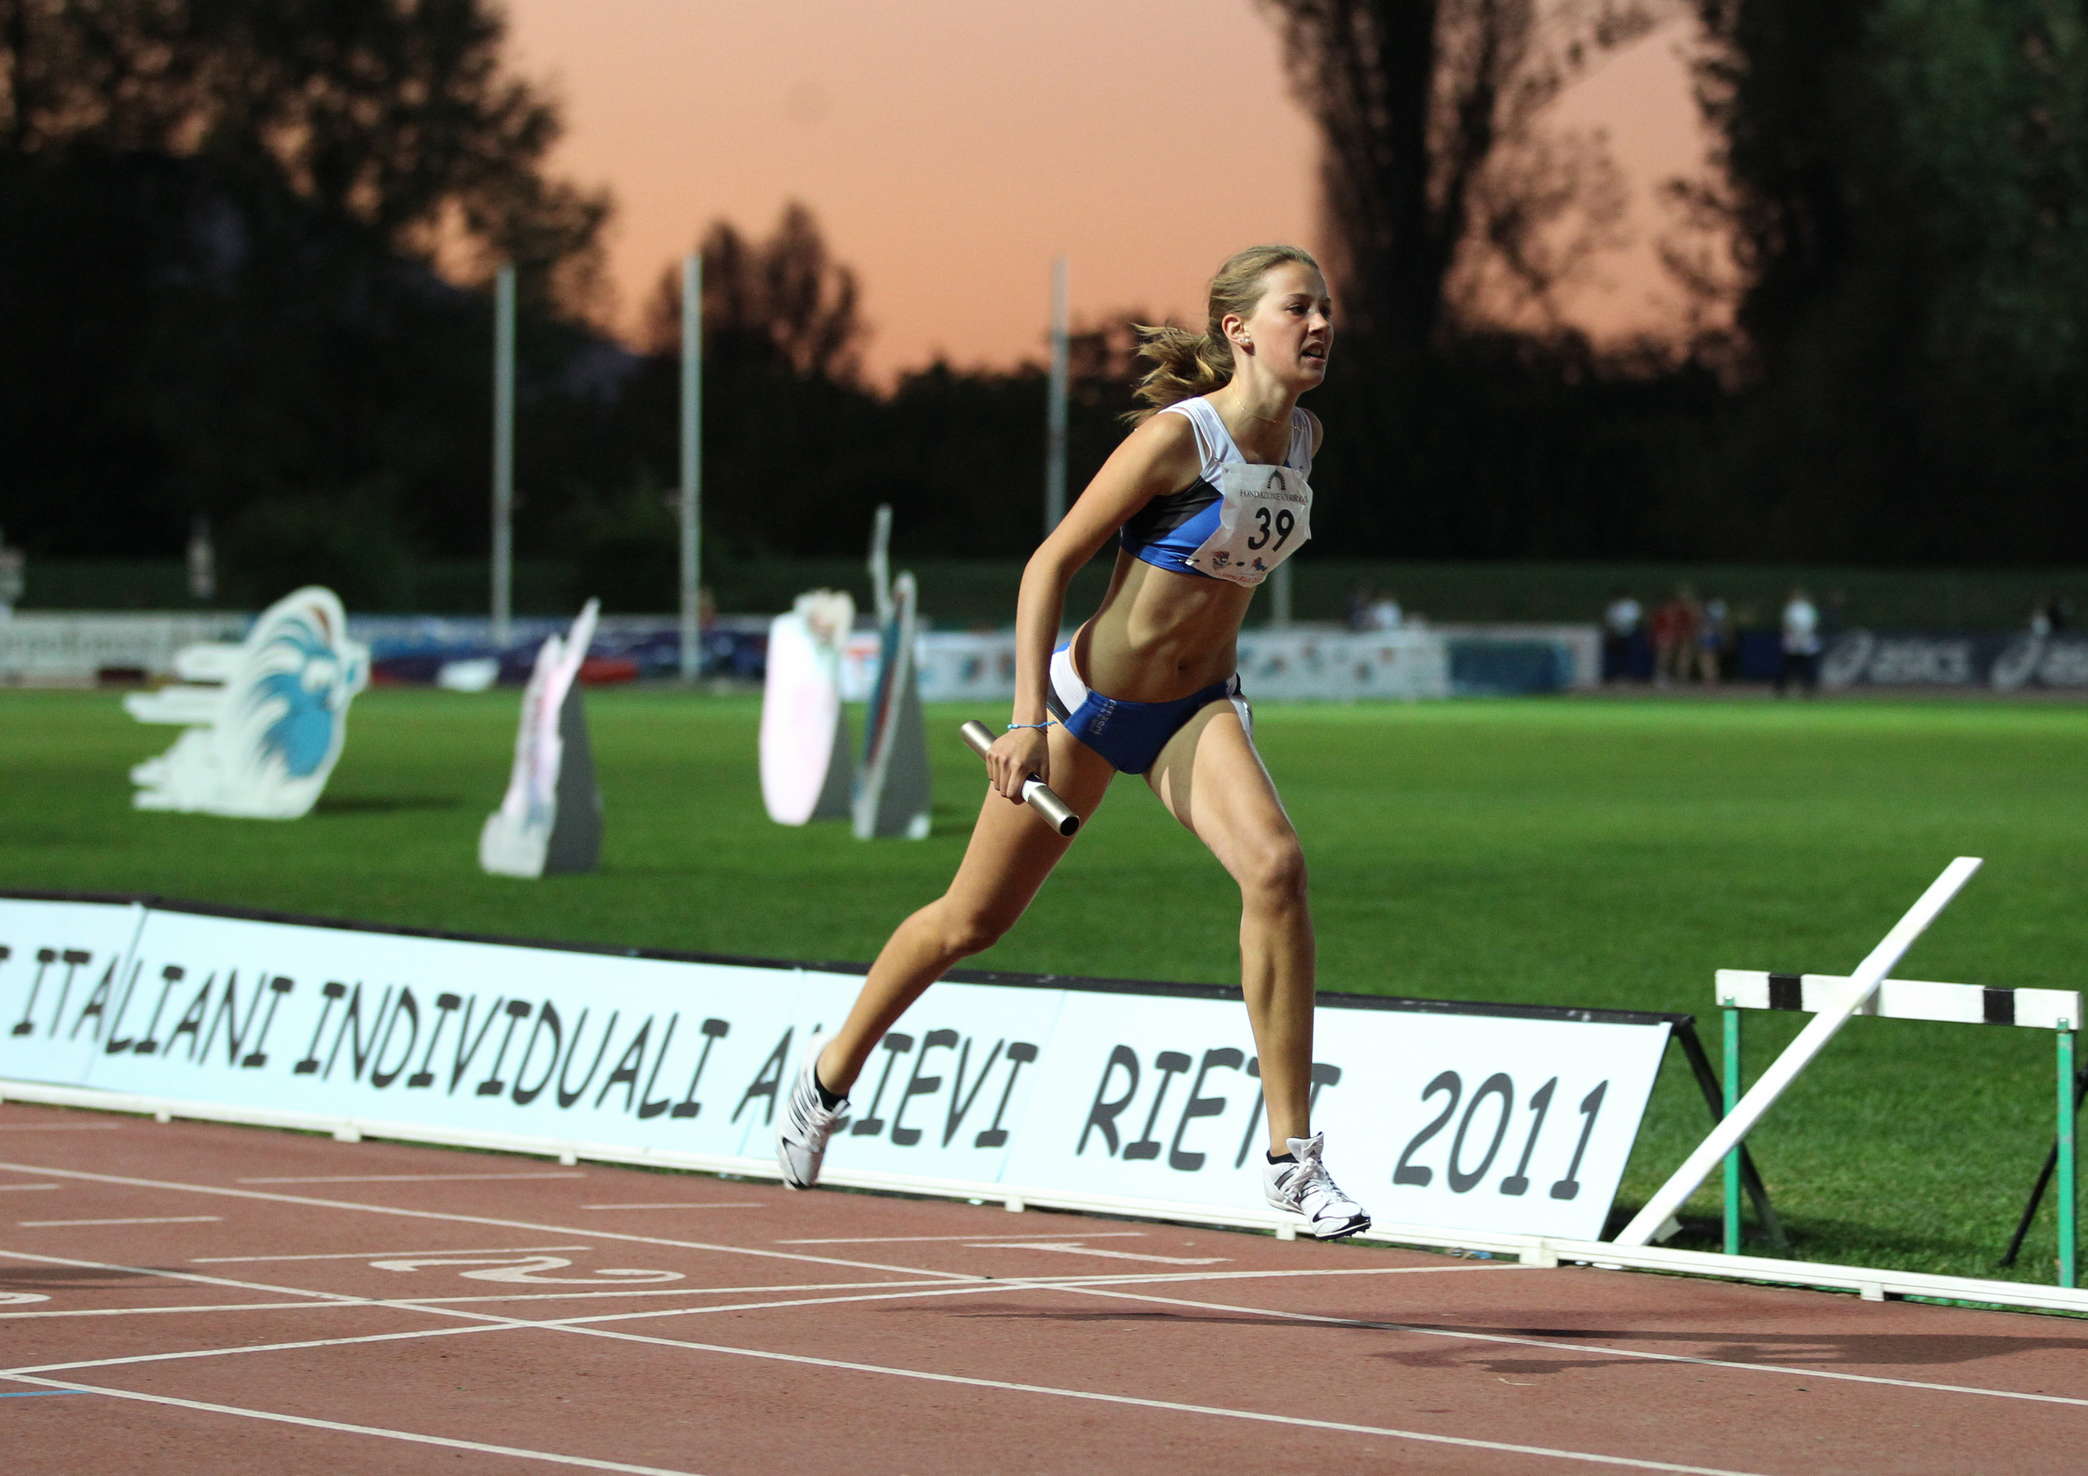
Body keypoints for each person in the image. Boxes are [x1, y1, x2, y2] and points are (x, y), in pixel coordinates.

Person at [776, 244, 1370, 1240]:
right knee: (969, 923)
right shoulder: (1179, 438)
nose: (1319, 326)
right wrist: (1023, 721)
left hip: (1197, 710)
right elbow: (1047, 564)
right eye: (1297, 308)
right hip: (1083, 710)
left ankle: (1291, 1161)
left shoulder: (1305, 438)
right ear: (1238, 330)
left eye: (1326, 309)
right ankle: (826, 1078)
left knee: (1277, 869)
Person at [1776, 586, 1821, 697]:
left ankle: (1809, 689)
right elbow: (1786, 624)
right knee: (1788, 668)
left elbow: (1813, 624)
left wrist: (1803, 635)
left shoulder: (1808, 609)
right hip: (1792, 642)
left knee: (1808, 668)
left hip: (1806, 642)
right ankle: (1782, 689)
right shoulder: (1790, 608)